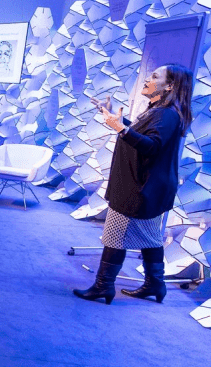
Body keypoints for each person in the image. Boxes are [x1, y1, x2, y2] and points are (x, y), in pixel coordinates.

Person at [74, 64, 194, 304]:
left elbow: (151, 146)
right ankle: (155, 285)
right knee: (150, 237)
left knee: (114, 236)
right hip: (149, 188)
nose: (147, 79)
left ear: (169, 86)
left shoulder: (167, 114)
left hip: (141, 189)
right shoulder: (162, 111)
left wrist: (119, 127)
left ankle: (103, 286)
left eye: (154, 76)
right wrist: (115, 117)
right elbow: (144, 132)